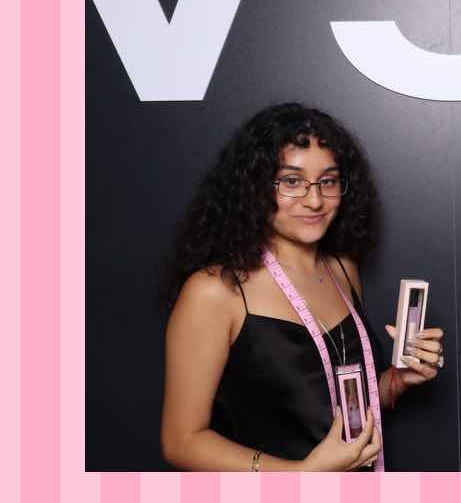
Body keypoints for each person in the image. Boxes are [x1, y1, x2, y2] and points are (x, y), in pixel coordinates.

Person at [160, 104, 445, 471]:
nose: (314, 200)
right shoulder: (215, 291)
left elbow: (338, 405)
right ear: (255, 187)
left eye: (327, 181)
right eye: (291, 182)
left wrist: (398, 380)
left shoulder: (343, 269)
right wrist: (299, 477)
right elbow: (182, 442)